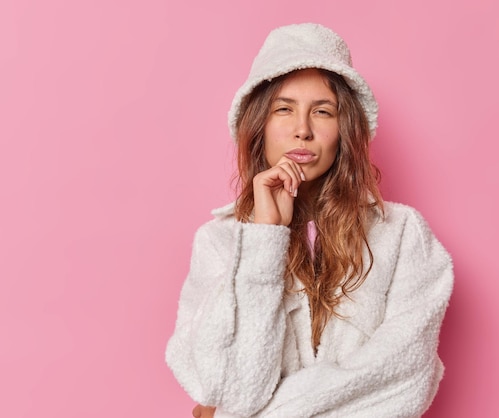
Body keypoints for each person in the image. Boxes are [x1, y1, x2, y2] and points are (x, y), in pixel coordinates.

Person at [166, 23, 454, 418]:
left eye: (322, 111)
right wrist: (265, 238)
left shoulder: (404, 236)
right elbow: (231, 387)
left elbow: (404, 380)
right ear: (258, 127)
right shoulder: (220, 242)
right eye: (283, 109)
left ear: (345, 129)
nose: (302, 130)